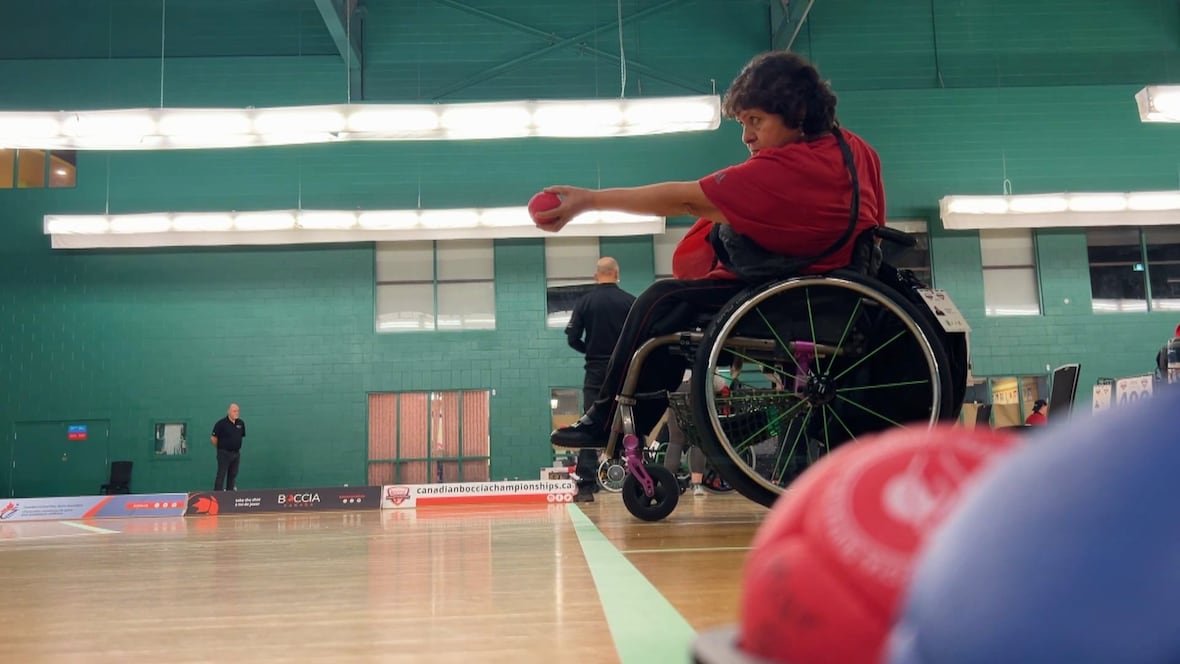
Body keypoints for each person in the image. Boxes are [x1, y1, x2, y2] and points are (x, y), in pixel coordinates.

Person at [538, 50, 885, 449]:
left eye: (755, 121)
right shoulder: (859, 151)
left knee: (661, 300)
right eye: (743, 123)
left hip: (794, 300)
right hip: (843, 294)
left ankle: (606, 421)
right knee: (672, 319)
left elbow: (683, 199)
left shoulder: (782, 168)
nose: (746, 136)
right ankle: (624, 430)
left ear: (798, 112)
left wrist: (589, 200)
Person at [564, 257, 636, 502]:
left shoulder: (586, 302)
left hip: (596, 371)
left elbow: (572, 337)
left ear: (597, 276)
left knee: (590, 422)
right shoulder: (630, 302)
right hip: (624, 370)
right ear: (617, 274)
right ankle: (638, 477)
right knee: (633, 420)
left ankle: (585, 487)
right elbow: (641, 337)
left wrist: (591, 350)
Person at [210, 403, 246, 491]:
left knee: (233, 474)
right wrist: (220, 447)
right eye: (234, 411)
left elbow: (240, 436)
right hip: (224, 453)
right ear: (229, 411)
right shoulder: (221, 423)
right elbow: (213, 438)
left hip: (236, 454)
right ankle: (218, 494)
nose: (236, 413)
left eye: (238, 411)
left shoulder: (241, 423)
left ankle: (230, 494)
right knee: (221, 474)